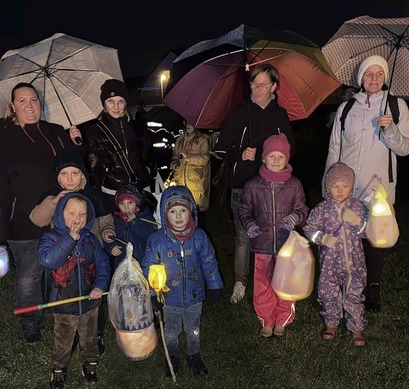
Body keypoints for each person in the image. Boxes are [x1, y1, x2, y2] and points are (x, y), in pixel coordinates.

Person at [0, 82, 82, 343]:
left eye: (34, 100)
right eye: (23, 101)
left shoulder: (56, 131)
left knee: (64, 268)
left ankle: (64, 313)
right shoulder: (2, 138)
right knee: (30, 273)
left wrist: (75, 144)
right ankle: (30, 321)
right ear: (12, 107)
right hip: (23, 220)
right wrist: (1, 227)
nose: (30, 105)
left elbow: (73, 169)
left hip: (60, 215)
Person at [323, 55, 409, 312]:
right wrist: (327, 183)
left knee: (376, 238)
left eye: (379, 74)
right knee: (351, 237)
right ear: (361, 78)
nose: (374, 79)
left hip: (380, 189)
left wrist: (391, 130)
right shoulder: (347, 108)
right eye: (368, 74)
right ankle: (351, 284)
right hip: (348, 188)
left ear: (385, 78)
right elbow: (335, 149)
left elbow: (406, 148)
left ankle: (373, 287)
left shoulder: (396, 107)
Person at [214, 63, 295, 304]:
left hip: (273, 188)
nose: (257, 89)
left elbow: (291, 148)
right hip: (242, 186)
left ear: (274, 87)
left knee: (273, 234)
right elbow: (219, 149)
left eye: (263, 85)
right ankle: (241, 281)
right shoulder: (239, 113)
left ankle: (274, 279)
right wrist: (240, 153)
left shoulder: (279, 116)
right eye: (254, 84)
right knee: (243, 235)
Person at [29, 147, 115, 353]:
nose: (70, 179)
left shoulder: (93, 195)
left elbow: (105, 219)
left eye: (75, 173)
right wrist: (54, 202)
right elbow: (37, 218)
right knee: (66, 298)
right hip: (63, 258)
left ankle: (96, 334)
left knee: (94, 301)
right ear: (57, 176)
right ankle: (67, 334)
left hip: (90, 256)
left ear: (83, 174)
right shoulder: (52, 195)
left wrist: (107, 233)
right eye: (64, 174)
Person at [141, 185, 223, 378]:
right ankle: (173, 356)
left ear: (191, 212)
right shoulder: (157, 240)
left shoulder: (199, 237)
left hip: (195, 296)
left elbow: (209, 261)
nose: (178, 216)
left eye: (183, 211)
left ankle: (193, 355)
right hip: (169, 298)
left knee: (193, 328)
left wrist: (214, 286)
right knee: (171, 330)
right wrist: (152, 294)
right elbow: (149, 267)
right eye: (173, 212)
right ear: (165, 214)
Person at [237, 133, 308, 337]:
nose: (276, 160)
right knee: (263, 283)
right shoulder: (252, 185)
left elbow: (302, 209)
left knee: (286, 284)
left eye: (281, 157)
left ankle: (283, 318)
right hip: (262, 244)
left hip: (287, 246)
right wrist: (249, 224)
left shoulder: (295, 185)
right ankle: (266, 319)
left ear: (287, 159)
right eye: (272, 156)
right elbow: (244, 210)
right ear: (263, 158)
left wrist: (295, 217)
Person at [38, 192, 111, 386]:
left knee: (90, 337)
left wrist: (99, 285)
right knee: (63, 340)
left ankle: (90, 363)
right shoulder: (51, 238)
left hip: (90, 303)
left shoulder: (91, 240)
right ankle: (59, 368)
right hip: (63, 303)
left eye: (82, 214)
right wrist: (69, 238)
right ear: (61, 214)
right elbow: (48, 260)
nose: (77, 218)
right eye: (72, 213)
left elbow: (103, 263)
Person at [303, 162, 369, 346]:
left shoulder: (359, 207)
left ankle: (356, 327)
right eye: (335, 186)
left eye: (344, 186)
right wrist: (322, 238)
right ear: (328, 187)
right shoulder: (321, 209)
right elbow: (309, 229)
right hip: (329, 263)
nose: (340, 190)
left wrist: (357, 221)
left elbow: (368, 231)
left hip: (353, 262)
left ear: (351, 187)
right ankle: (331, 322)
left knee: (353, 292)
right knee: (328, 291)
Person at [85, 79, 154, 212]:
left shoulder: (139, 128)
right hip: (112, 195)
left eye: (120, 101)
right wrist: (108, 173)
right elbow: (92, 167)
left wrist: (147, 172)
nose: (116, 107)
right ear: (104, 104)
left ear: (125, 103)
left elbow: (150, 156)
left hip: (140, 192)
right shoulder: (95, 131)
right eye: (110, 101)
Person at [104, 184, 157, 270]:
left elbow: (150, 239)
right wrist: (111, 246)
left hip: (142, 264)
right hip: (122, 265)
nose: (126, 207)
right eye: (122, 204)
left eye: (130, 203)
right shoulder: (116, 220)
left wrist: (135, 224)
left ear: (137, 203)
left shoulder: (146, 218)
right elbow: (109, 237)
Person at [170, 121, 211, 226]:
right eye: (186, 122)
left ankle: (199, 237)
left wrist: (188, 156)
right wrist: (174, 163)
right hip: (180, 180)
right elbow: (175, 156)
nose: (188, 125)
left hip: (196, 182)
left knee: (197, 212)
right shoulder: (180, 140)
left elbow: (204, 160)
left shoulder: (202, 140)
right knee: (183, 210)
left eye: (191, 123)